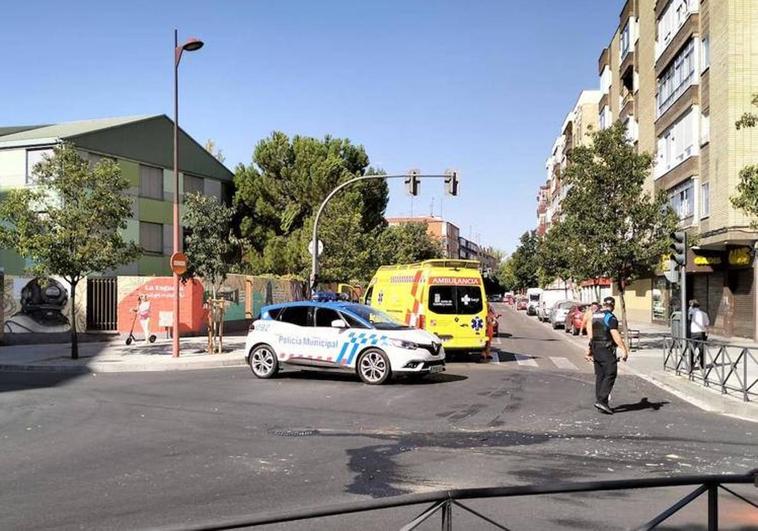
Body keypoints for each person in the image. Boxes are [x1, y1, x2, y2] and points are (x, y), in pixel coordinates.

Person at [585, 296, 629, 415]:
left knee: (600, 375)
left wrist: (589, 349)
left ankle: (600, 402)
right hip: (606, 349)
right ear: (613, 306)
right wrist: (624, 349)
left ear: (603, 305)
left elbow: (590, 332)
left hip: (596, 348)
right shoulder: (610, 317)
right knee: (611, 373)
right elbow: (614, 334)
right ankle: (602, 400)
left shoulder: (595, 315)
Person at [688, 299, 709, 370]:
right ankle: (702, 365)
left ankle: (691, 365)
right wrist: (706, 333)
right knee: (701, 349)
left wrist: (691, 306)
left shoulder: (692, 312)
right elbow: (706, 325)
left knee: (692, 349)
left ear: (692, 306)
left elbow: (689, 316)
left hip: (694, 333)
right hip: (702, 333)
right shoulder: (704, 313)